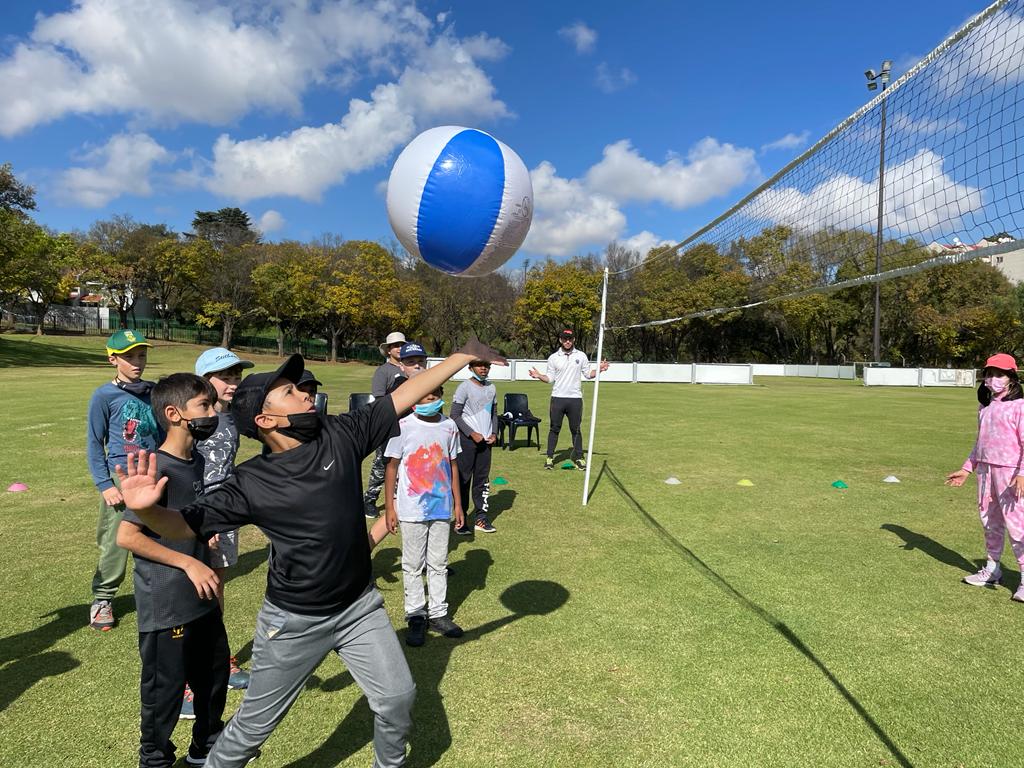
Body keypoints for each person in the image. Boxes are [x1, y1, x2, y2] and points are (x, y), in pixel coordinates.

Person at [115, 338, 506, 768]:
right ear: (266, 419)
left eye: (301, 387)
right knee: (252, 728)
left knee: (398, 697)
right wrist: (147, 511)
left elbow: (404, 395)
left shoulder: (339, 434)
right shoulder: (251, 482)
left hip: (360, 607)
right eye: (290, 391)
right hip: (293, 621)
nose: (305, 393)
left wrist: (463, 356)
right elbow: (183, 525)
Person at [116, 373, 229, 767]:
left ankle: (205, 749)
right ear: (174, 413)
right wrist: (187, 560)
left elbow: (185, 520)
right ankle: (156, 759)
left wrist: (203, 540)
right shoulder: (156, 468)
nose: (213, 413)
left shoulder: (195, 460)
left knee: (213, 681)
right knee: (164, 694)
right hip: (166, 606)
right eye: (204, 406)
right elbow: (128, 537)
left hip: (202, 599)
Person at [86, 328, 162, 630]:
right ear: (112, 359)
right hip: (121, 478)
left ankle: (160, 590)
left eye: (141, 355)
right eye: (129, 357)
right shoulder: (104, 396)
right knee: (115, 541)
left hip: (154, 474)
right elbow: (95, 442)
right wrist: (105, 485)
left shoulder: (155, 391)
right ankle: (103, 599)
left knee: (159, 535)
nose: (136, 362)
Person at [384, 384, 465, 646]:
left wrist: (458, 504)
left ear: (441, 397)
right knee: (412, 564)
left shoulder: (449, 426)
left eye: (434, 396)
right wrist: (390, 506)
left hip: (441, 507)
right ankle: (416, 615)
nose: (429, 401)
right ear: (414, 401)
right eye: (424, 397)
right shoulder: (403, 426)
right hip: (411, 509)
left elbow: (452, 465)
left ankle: (439, 614)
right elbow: (392, 467)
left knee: (438, 562)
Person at [194, 347, 255, 690]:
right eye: (225, 377)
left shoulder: (233, 415)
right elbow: (184, 473)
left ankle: (220, 661)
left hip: (226, 513)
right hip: (199, 518)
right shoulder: (194, 420)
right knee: (194, 592)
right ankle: (190, 676)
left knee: (216, 589)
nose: (233, 383)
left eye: (236, 376)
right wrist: (203, 523)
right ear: (205, 380)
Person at [947, 353, 1024, 601]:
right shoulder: (985, 407)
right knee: (990, 523)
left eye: (999, 374)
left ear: (1011, 378)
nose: (993, 379)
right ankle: (992, 569)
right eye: (989, 374)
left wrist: (1023, 474)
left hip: (1011, 475)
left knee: (1017, 526)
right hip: (986, 473)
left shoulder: (1020, 407)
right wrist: (967, 468)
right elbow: (980, 444)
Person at [528, 329, 609, 471]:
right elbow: (549, 379)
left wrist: (599, 369)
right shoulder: (553, 357)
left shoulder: (581, 356)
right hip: (558, 399)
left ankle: (579, 458)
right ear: (560, 340)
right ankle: (549, 458)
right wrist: (539, 375)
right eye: (565, 339)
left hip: (575, 399)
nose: (567, 341)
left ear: (574, 340)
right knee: (554, 429)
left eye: (570, 339)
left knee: (576, 429)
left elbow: (588, 374)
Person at [363, 332, 408, 518]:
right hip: (390, 423)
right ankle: (370, 500)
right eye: (395, 345)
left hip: (410, 423)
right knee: (382, 463)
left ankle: (399, 501)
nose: (399, 348)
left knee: (405, 464)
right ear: (388, 350)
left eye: (401, 345)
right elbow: (380, 399)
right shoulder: (383, 371)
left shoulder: (410, 367)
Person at [450, 359, 498, 534]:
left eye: (487, 365)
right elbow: (454, 415)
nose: (483, 368)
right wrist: (471, 433)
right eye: (479, 365)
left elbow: (494, 414)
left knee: (482, 481)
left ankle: (481, 518)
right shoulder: (464, 387)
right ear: (470, 368)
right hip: (467, 441)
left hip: (486, 443)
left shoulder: (492, 387)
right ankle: (461, 521)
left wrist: (494, 433)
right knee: (463, 481)